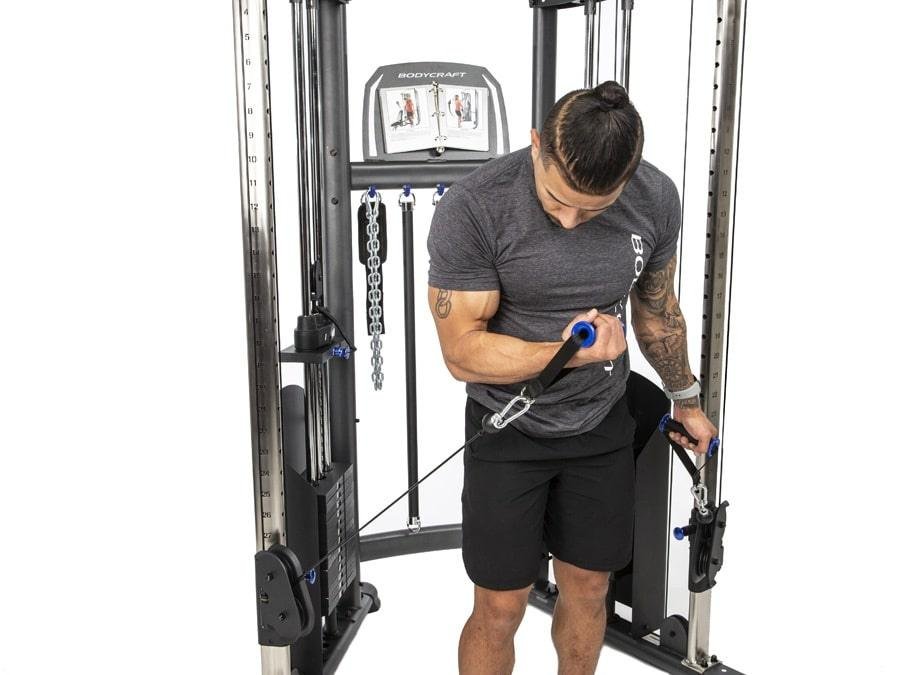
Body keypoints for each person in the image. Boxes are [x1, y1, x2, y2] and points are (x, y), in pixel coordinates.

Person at [426, 81, 717, 675]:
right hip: (508, 428)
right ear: (537, 145)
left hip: (600, 424)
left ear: (629, 179)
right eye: (557, 199)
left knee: (589, 588)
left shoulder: (655, 198)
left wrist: (686, 400)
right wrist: (567, 355)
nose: (569, 220)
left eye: (593, 209)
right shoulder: (475, 207)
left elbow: (656, 311)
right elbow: (462, 353)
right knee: (500, 605)